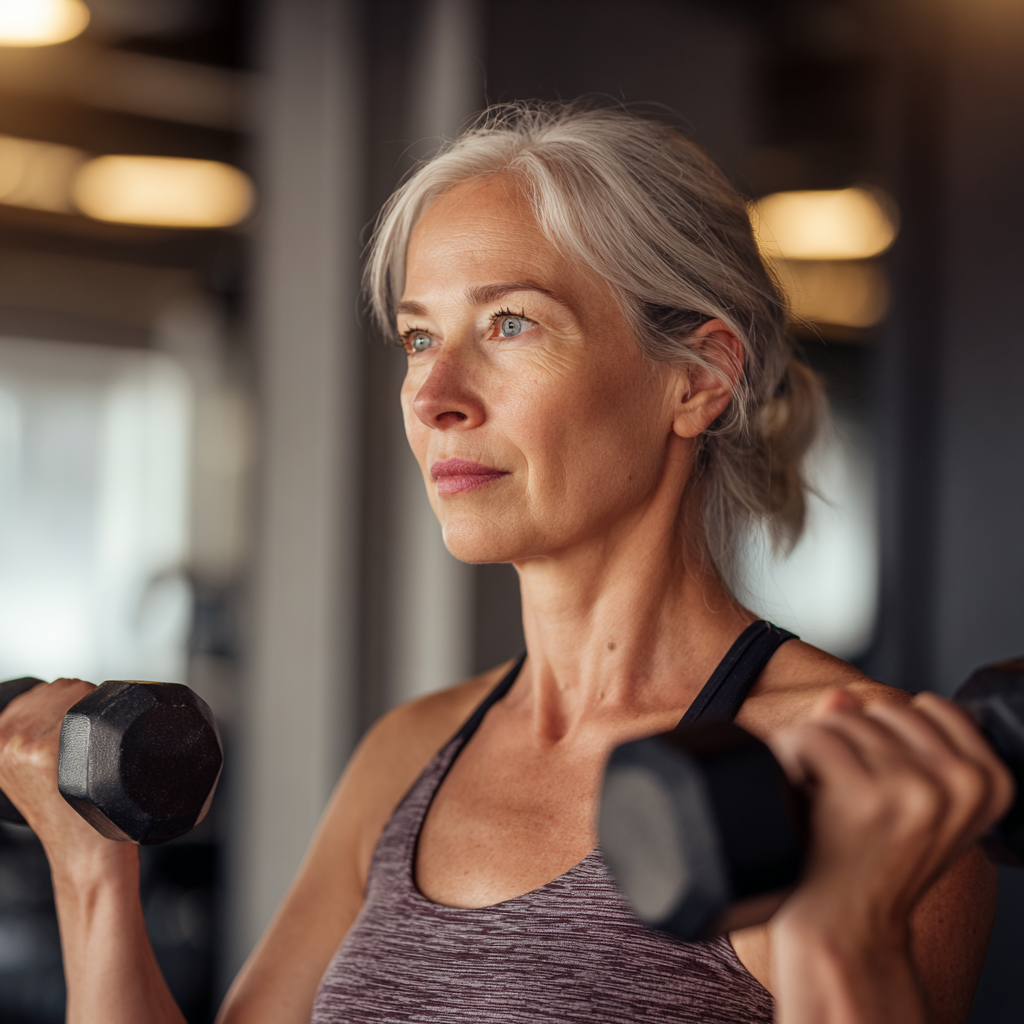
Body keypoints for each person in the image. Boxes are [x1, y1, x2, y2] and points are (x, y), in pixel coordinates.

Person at [0, 102, 1012, 1024]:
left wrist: (848, 929)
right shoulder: (409, 752)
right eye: (416, 337)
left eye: (510, 323)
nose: (434, 393)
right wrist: (92, 871)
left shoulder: (856, 780)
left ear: (698, 378)